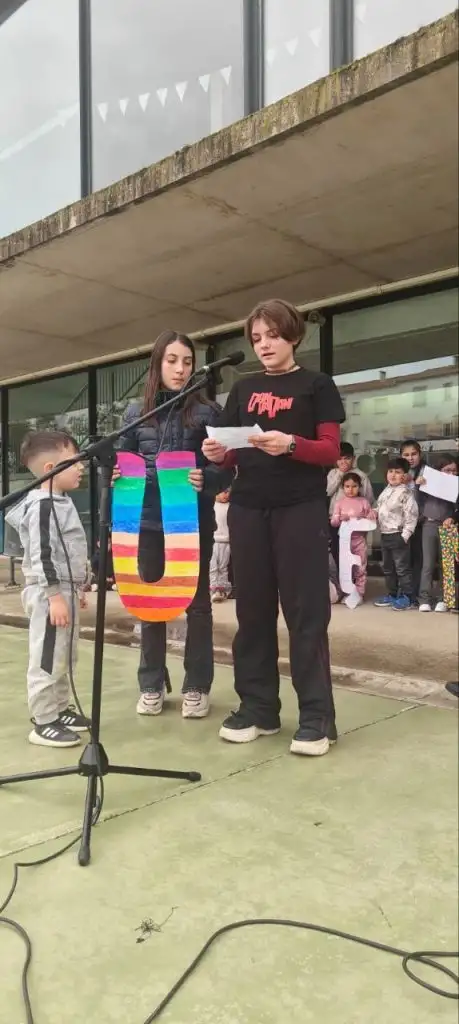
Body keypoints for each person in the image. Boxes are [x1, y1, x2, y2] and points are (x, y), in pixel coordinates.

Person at [202, 298, 345, 757]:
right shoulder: (243, 389)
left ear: (294, 336)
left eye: (273, 335)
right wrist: (218, 454)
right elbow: (231, 449)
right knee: (253, 613)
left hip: (300, 509)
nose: (264, 344)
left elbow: (330, 450)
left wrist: (290, 445)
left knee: (306, 614)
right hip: (247, 508)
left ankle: (317, 718)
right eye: (257, 338)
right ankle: (258, 708)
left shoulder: (317, 384)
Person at [115, 330, 229, 719]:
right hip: (146, 523)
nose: (180, 369)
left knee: (198, 607)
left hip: (192, 525)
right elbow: (121, 461)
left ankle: (197, 685)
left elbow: (226, 468)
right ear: (157, 364)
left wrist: (207, 477)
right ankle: (151, 684)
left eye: (187, 362)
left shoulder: (209, 413)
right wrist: (115, 474)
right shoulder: (135, 413)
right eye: (172, 360)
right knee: (150, 605)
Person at [5, 431, 90, 748]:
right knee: (48, 656)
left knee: (65, 655)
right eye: (74, 461)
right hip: (48, 593)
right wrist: (54, 596)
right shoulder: (42, 507)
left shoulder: (61, 502)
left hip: (65, 590)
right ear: (50, 468)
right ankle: (43, 720)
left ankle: (60, 709)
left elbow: (69, 550)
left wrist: (78, 587)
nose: (81, 467)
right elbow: (43, 555)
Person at [374, 457, 418, 611]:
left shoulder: (406, 493)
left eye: (397, 472)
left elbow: (412, 516)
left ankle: (408, 597)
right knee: (388, 568)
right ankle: (392, 595)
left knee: (402, 569)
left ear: (404, 475)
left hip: (398, 535)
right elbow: (381, 508)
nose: (393, 475)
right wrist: (372, 513)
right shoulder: (386, 490)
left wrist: (404, 536)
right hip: (385, 534)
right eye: (390, 471)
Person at [418, 455, 458, 613]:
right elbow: (419, 501)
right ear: (438, 471)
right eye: (447, 470)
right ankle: (424, 599)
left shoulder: (456, 486)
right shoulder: (430, 483)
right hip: (429, 525)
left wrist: (453, 518)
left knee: (446, 564)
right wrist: (419, 485)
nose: (451, 474)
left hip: (448, 527)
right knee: (427, 564)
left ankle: (444, 599)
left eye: (454, 470)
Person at [330, 471, 376, 604]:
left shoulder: (364, 502)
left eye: (354, 486)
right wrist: (340, 518)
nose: (350, 489)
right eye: (347, 486)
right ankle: (347, 593)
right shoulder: (339, 503)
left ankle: (359, 593)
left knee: (360, 567)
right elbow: (333, 522)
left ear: (359, 487)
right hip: (344, 541)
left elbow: (372, 518)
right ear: (342, 487)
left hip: (359, 541)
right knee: (346, 568)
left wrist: (371, 515)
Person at [327, 442, 374, 566]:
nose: (343, 462)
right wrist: (340, 475)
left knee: (354, 552)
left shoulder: (361, 476)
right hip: (335, 520)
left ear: (353, 458)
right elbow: (327, 491)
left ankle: (354, 576)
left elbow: (368, 499)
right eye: (339, 459)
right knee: (336, 550)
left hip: (354, 522)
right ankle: (340, 576)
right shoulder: (333, 473)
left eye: (347, 458)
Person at [400, 438, 426, 602]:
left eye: (414, 454)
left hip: (421, 523)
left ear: (420, 454)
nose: (410, 458)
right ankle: (403, 593)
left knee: (418, 560)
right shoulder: (397, 473)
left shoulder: (427, 472)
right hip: (402, 525)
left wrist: (418, 485)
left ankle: (415, 594)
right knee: (403, 561)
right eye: (406, 455)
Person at [210, 488, 231, 602]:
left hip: (226, 542)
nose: (226, 495)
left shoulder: (230, 507)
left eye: (228, 492)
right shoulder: (212, 506)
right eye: (224, 492)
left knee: (223, 567)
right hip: (213, 541)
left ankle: (223, 589)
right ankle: (214, 589)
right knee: (213, 567)